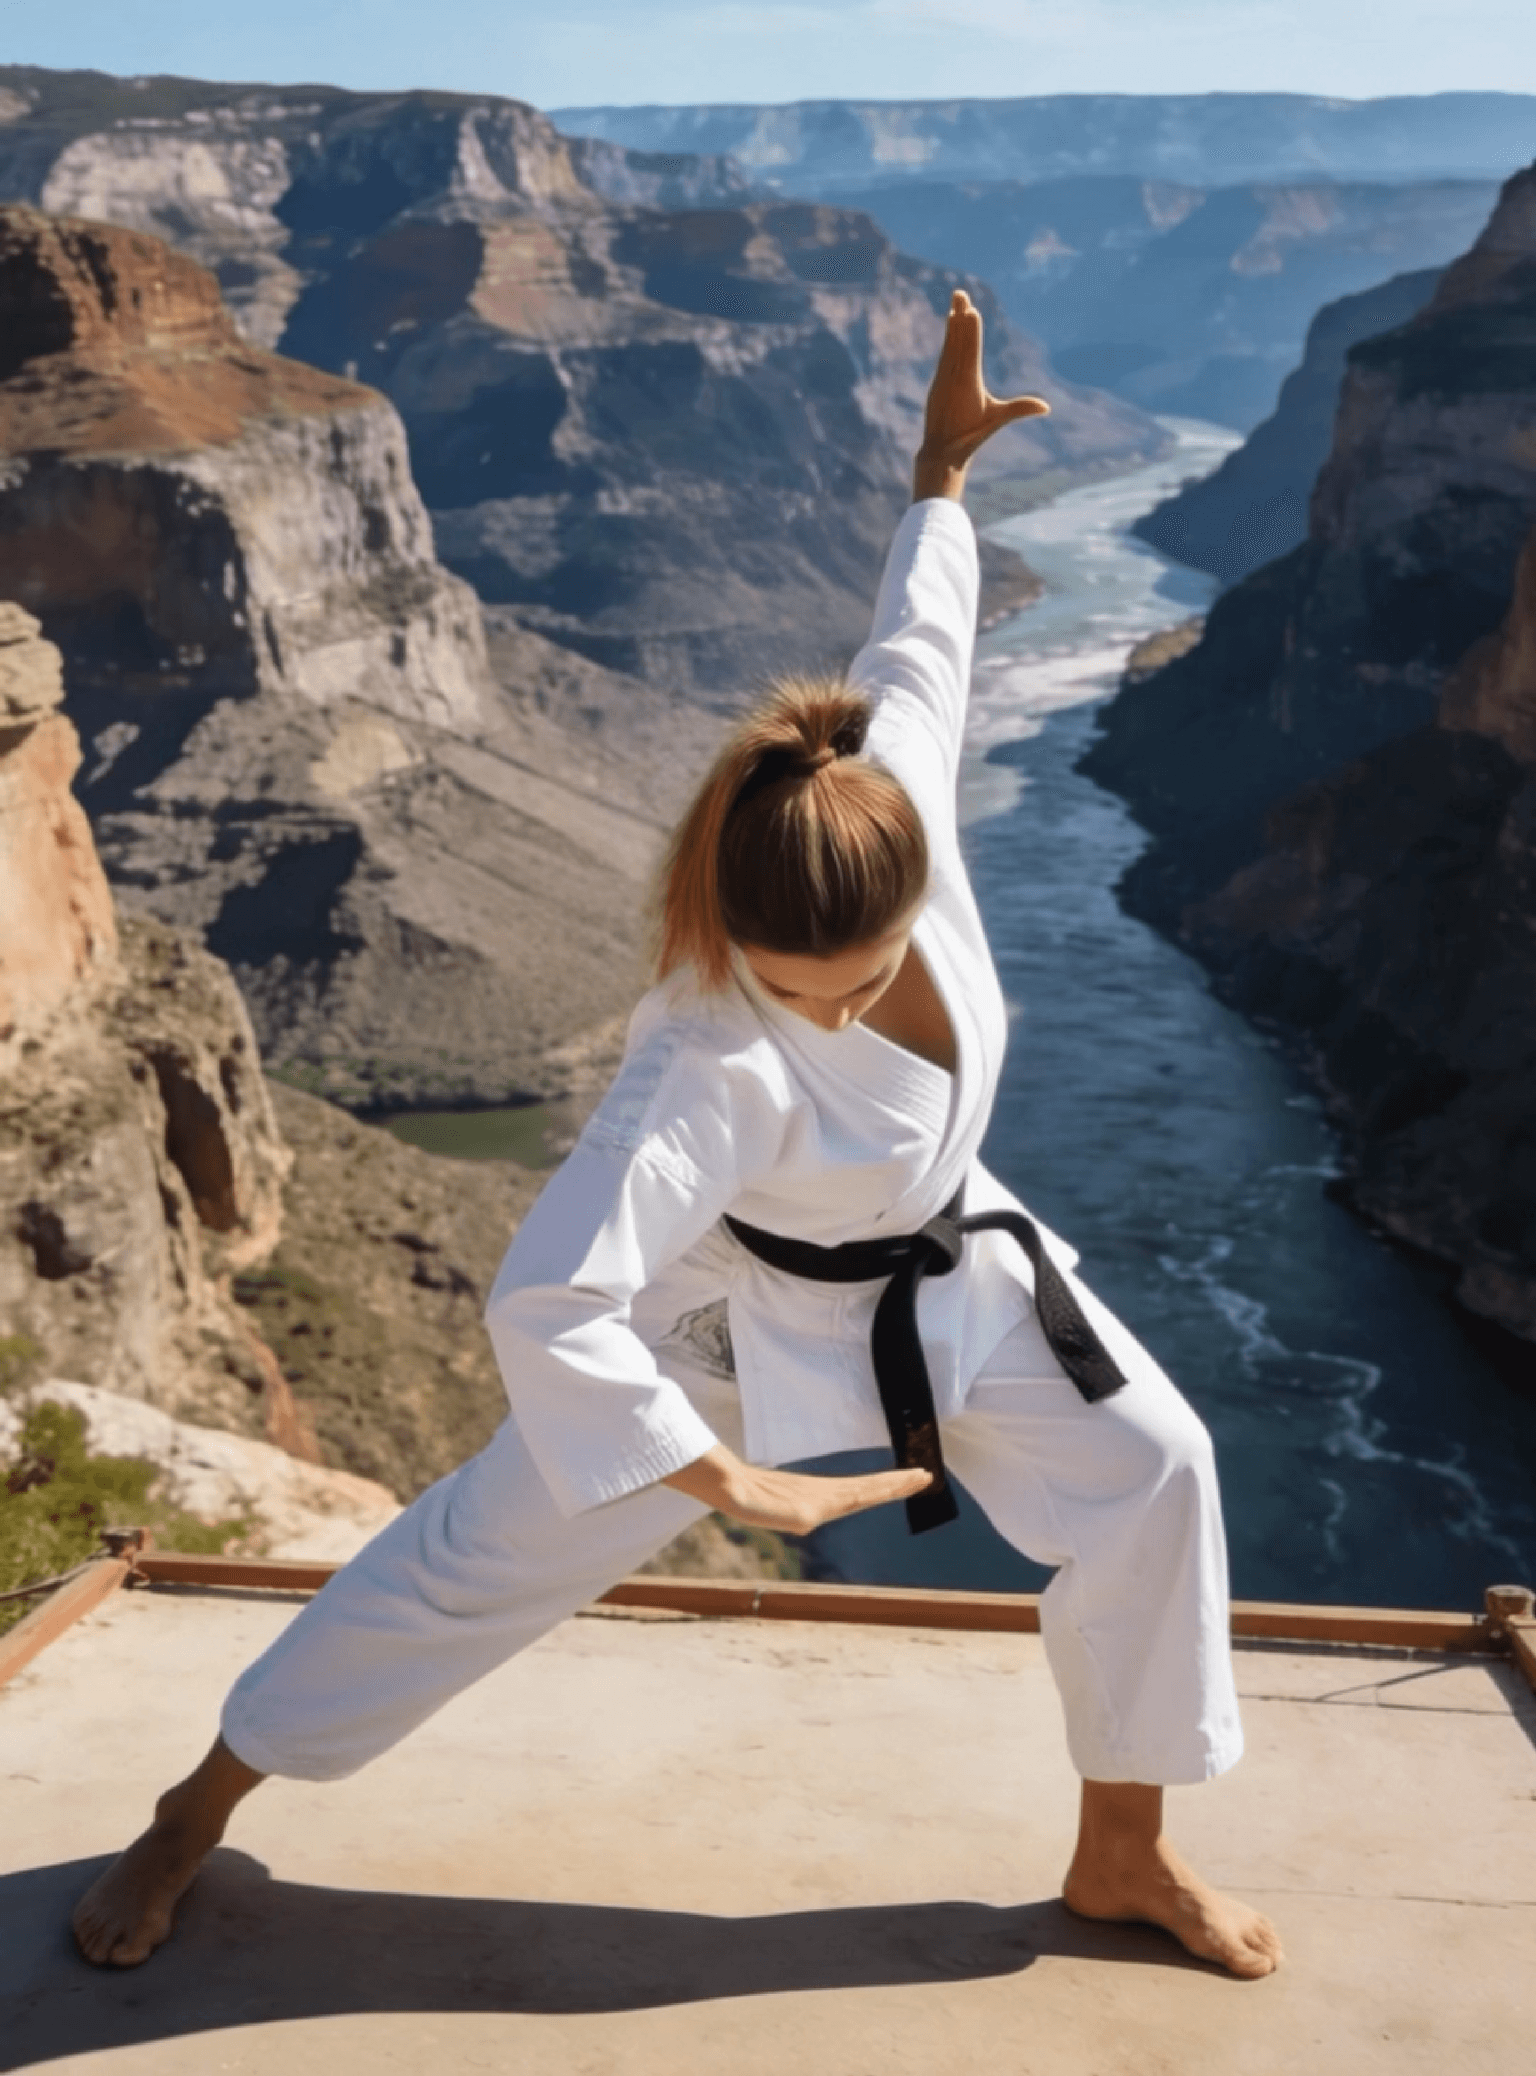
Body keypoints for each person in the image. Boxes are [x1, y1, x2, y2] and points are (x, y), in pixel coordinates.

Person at [73, 291, 1282, 1980]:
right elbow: (548, 1300)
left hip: (944, 1276)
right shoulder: (706, 1061)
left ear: (913, 883)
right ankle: (187, 1820)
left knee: (1160, 1471)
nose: (843, 1010)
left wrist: (938, 475)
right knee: (462, 1567)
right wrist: (721, 1479)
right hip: (714, 1325)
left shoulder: (897, 804)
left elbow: (916, 652)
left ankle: (1122, 1858)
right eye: (806, 993)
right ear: (731, 942)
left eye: (863, 980)